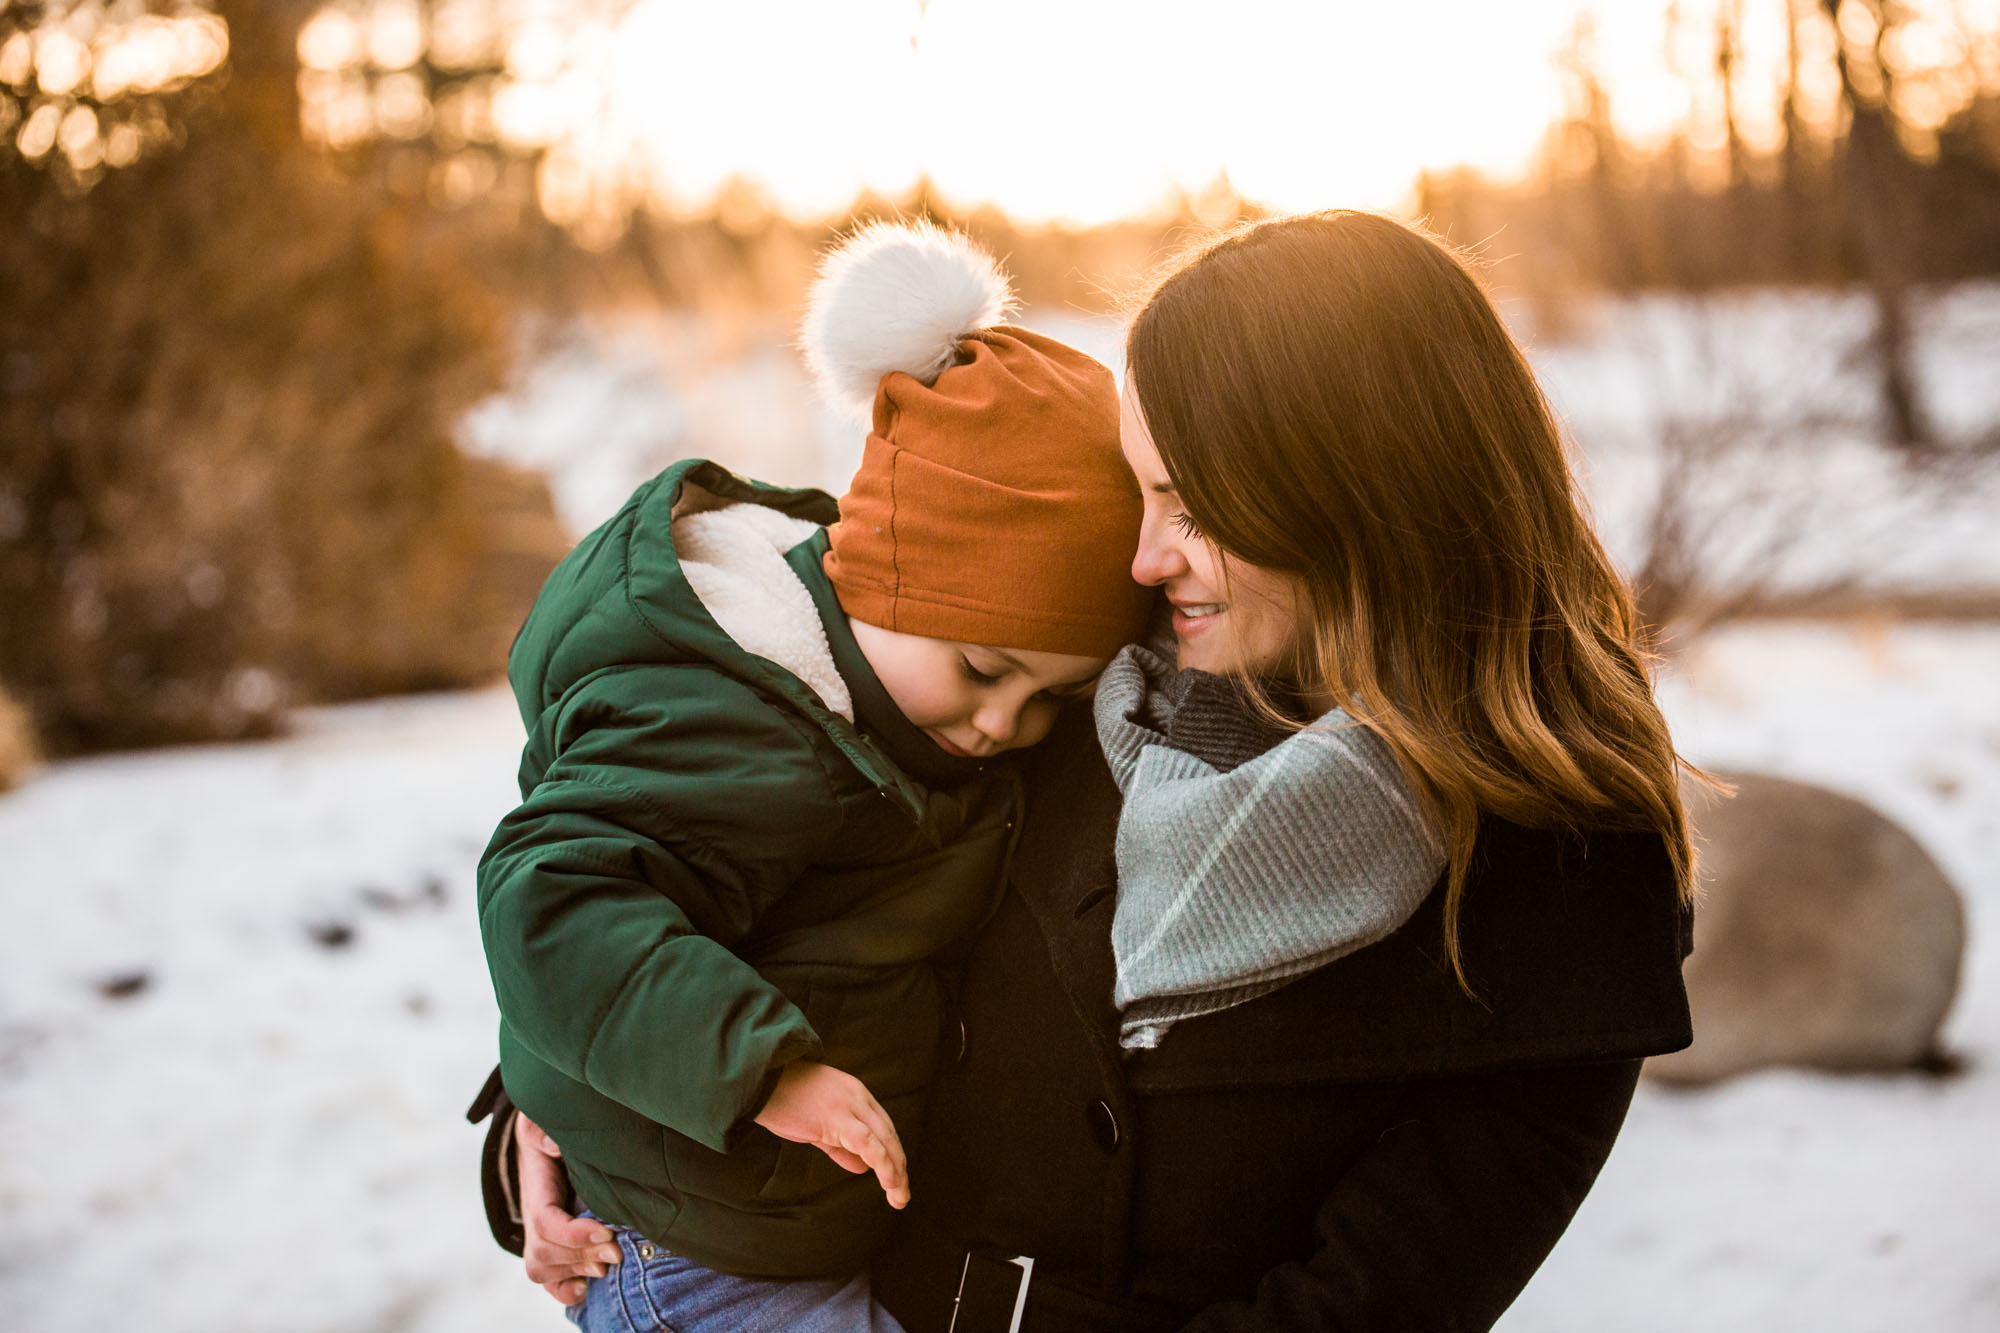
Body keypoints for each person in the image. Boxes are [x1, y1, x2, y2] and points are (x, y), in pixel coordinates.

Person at [510, 210, 1698, 1332]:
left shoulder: (1565, 872)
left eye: (1187, 503)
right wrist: (556, 1112)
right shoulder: (1090, 684)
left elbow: (1368, 1305)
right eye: (1142, 492)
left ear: (1343, 484)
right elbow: (727, 874)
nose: (1141, 555)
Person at [469, 222, 1157, 1333]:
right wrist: (766, 1072)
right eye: (983, 670)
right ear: (879, 571)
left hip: (765, 1234)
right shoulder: (742, 720)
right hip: (697, 1254)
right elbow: (555, 899)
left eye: (1048, 702)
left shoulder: (878, 714)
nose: (1001, 723)